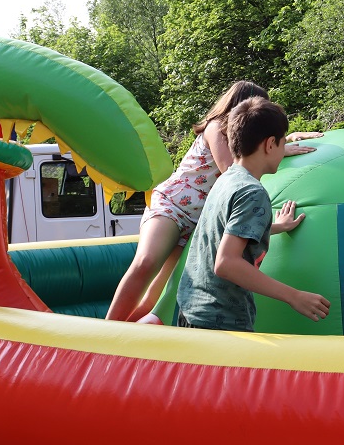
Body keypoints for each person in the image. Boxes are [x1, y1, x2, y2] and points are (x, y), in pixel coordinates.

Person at [106, 81, 321, 322]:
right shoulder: (215, 127)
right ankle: (108, 327)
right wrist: (275, 149)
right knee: (146, 262)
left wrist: (282, 141)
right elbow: (232, 166)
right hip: (174, 205)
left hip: (200, 219)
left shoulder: (248, 145)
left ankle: (127, 332)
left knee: (157, 295)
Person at [176, 97, 330, 331]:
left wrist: (273, 226)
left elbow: (225, 230)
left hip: (193, 309)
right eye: (282, 143)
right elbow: (226, 263)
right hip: (219, 320)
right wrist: (294, 296)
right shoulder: (253, 192)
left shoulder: (227, 179)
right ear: (270, 144)